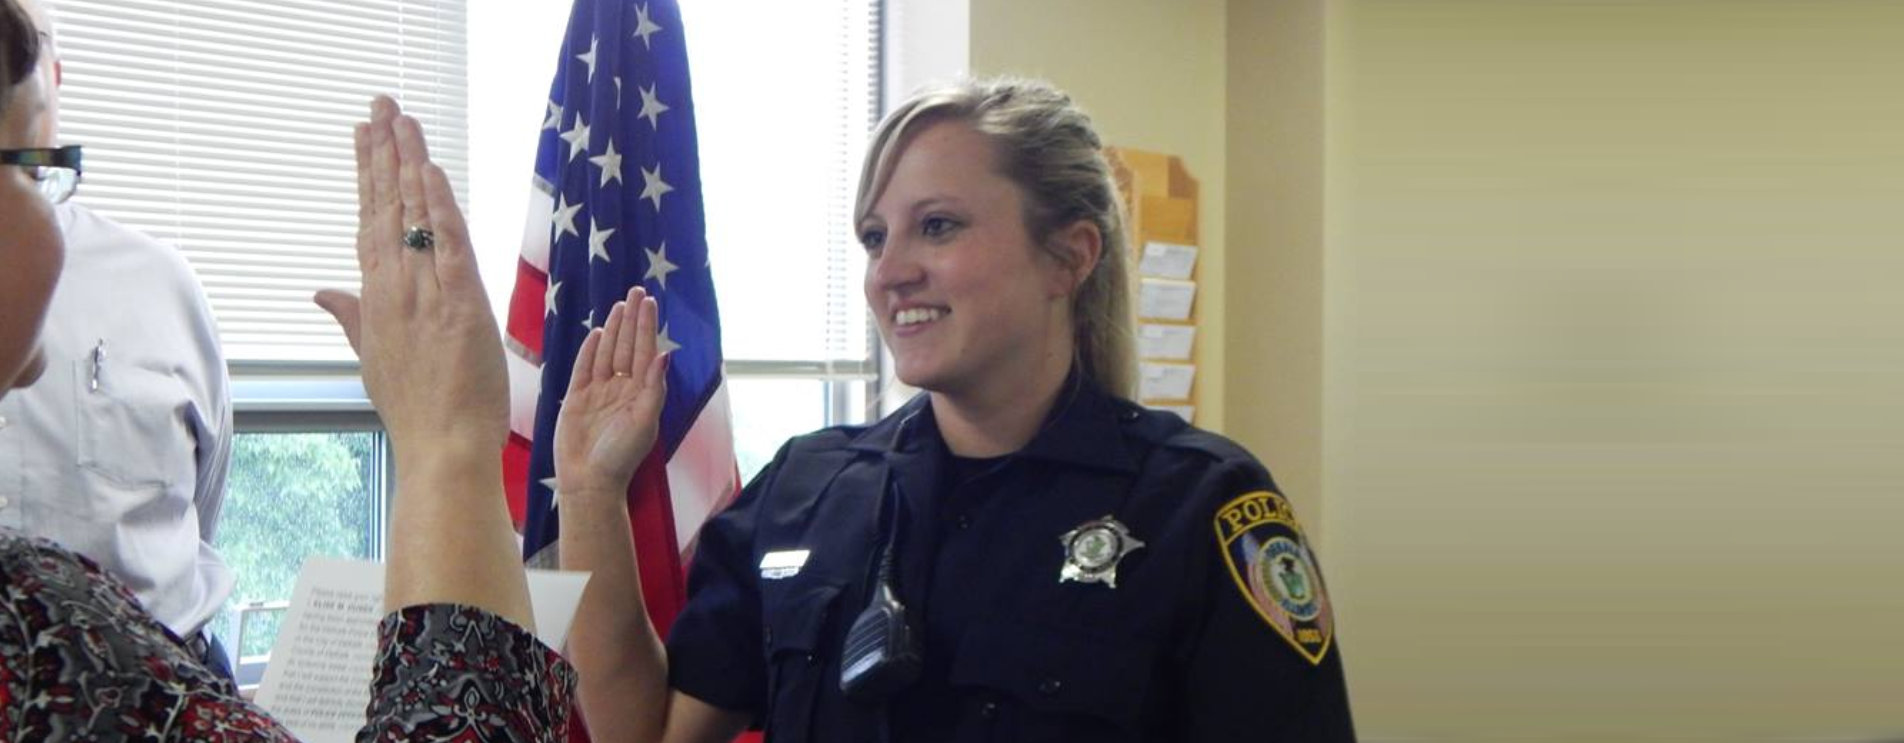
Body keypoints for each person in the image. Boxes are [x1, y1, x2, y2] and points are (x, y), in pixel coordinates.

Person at [556, 78, 1357, 741]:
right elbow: (645, 734)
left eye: (936, 226)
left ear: (1070, 256)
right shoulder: (807, 490)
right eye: (874, 237)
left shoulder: (1199, 508)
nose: (889, 271)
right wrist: (591, 489)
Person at [1, 3, 574, 736]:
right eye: (40, 169)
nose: (55, 221)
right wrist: (447, 442)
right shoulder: (38, 622)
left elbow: (203, 500)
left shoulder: (159, 284)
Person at [0, 0, 238, 678]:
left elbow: (204, 495)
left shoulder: (157, 282)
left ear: (55, 76)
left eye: (27, 45)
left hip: (171, 688)